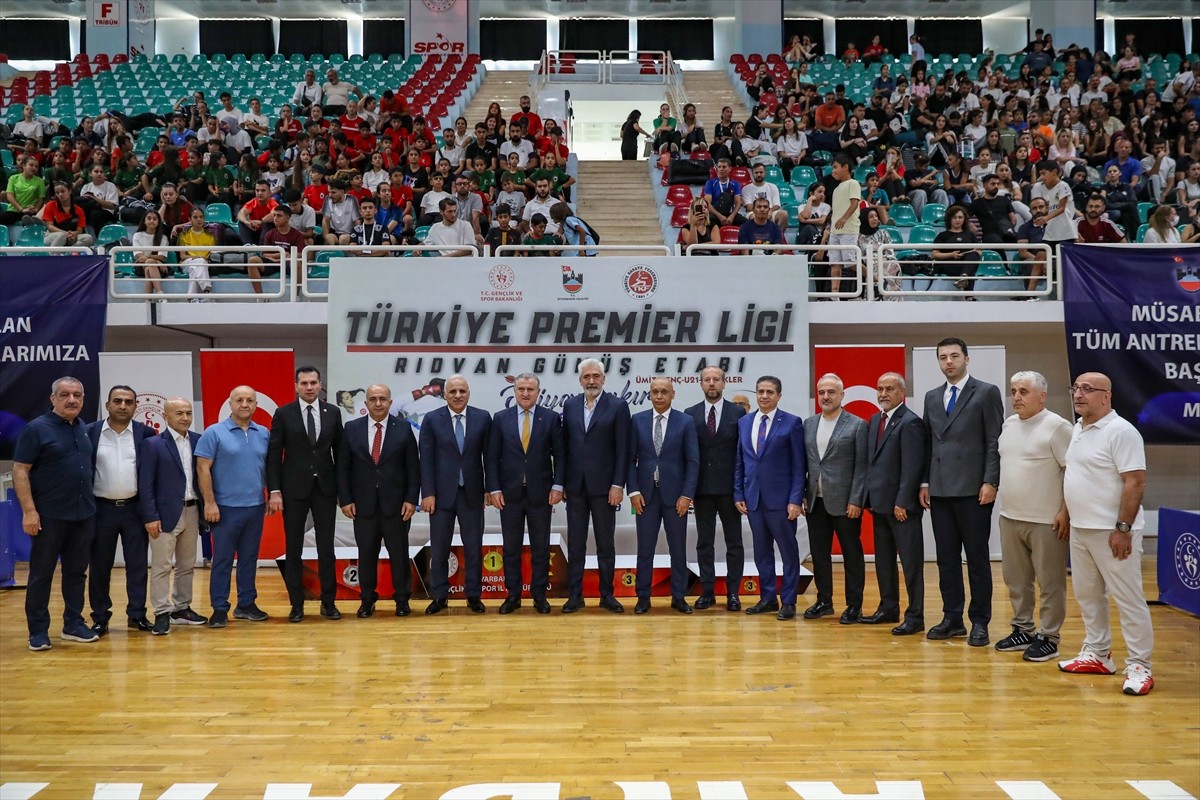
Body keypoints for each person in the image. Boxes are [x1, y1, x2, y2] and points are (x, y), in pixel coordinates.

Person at [1061, 376, 1156, 695]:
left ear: (1107, 396)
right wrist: (1066, 512)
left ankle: (1140, 665)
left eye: (1088, 389)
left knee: (1128, 599)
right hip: (1081, 530)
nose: (1079, 394)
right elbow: (1076, 475)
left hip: (1114, 533)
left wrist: (1123, 529)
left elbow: (1135, 483)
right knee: (1088, 596)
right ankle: (1099, 654)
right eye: (1076, 388)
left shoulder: (1122, 431)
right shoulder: (1078, 428)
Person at [919, 338, 1004, 647]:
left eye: (954, 356)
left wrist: (991, 481)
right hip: (940, 490)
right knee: (946, 559)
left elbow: (994, 440)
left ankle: (980, 621)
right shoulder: (931, 397)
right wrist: (925, 483)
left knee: (978, 559)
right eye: (943, 357)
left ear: (967, 358)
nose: (949, 362)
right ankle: (952, 617)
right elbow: (929, 444)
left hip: (973, 490)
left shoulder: (985, 392)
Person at [13, 378, 100, 650]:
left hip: (83, 515)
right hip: (49, 516)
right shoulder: (36, 429)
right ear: (53, 398)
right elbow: (20, 470)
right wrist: (29, 511)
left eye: (77, 395)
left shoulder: (83, 429)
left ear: (83, 399)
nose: (71, 400)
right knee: (41, 574)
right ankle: (38, 631)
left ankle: (73, 624)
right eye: (64, 395)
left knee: (76, 573)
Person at [995, 371, 1073, 663]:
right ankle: (1022, 629)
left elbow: (1070, 471)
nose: (1016, 397)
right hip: (1010, 517)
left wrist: (1065, 512)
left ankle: (1050, 636)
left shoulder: (1057, 427)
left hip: (1046, 521)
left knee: (1050, 582)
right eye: (1014, 391)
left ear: (1042, 395)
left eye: (1024, 391)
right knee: (1016, 579)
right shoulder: (1009, 425)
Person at [267, 366, 344, 623]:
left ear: (321, 384)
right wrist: (275, 490)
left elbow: (341, 455)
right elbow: (274, 456)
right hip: (293, 490)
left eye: (313, 382)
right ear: (296, 386)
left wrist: (343, 493)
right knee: (294, 548)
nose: (309, 387)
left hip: (325, 490)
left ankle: (329, 603)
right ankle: (296, 604)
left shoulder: (333, 412)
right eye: (304, 383)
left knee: (326, 548)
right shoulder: (283, 413)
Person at [337, 383, 420, 619]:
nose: (378, 403)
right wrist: (345, 499)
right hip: (362, 506)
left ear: (391, 402)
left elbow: (413, 468)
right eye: (373, 399)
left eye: (383, 398)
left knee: (399, 554)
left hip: (397, 506)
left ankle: (402, 600)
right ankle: (366, 600)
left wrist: (411, 499)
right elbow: (343, 467)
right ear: (366, 403)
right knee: (366, 555)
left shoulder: (403, 429)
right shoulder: (351, 428)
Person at [486, 373, 564, 615]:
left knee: (540, 547)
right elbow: (491, 457)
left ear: (538, 392)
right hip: (508, 494)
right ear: (514, 391)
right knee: (511, 547)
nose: (525, 393)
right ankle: (513, 595)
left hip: (541, 493)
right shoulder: (500, 418)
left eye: (530, 389)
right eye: (521, 389)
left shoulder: (550, 418)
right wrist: (494, 488)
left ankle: (539, 595)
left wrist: (558, 486)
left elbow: (560, 455)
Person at [196, 385, 273, 628]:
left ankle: (246, 604)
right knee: (223, 560)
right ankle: (219, 608)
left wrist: (271, 495)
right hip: (225, 509)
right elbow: (202, 468)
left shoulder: (263, 433)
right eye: (239, 400)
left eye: (250, 400)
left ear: (256, 404)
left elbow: (268, 467)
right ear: (230, 404)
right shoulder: (214, 432)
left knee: (250, 558)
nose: (244, 404)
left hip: (255, 507)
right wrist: (210, 503)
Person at [561, 358, 632, 614]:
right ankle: (575, 596)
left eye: (596, 376)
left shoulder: (618, 406)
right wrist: (564, 483)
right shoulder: (569, 406)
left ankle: (606, 595)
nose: (591, 381)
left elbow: (624, 449)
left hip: (605, 488)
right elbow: (564, 447)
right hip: (576, 488)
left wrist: (617, 484)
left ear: (603, 378)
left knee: (605, 544)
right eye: (586, 376)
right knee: (576, 544)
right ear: (580, 380)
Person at [734, 375, 807, 620]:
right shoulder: (744, 422)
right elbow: (740, 463)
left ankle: (788, 600)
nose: (764, 396)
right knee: (761, 552)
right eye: (760, 391)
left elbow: (799, 466)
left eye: (769, 392)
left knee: (788, 552)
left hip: (782, 501)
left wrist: (796, 499)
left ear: (779, 395)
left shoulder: (792, 423)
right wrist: (738, 493)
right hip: (753, 499)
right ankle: (768, 598)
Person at [85, 386, 154, 637]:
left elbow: (149, 476)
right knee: (100, 566)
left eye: (128, 402)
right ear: (108, 405)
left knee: (137, 566)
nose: (123, 406)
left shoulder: (146, 434)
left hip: (134, 509)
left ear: (136, 406)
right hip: (100, 509)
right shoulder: (89, 432)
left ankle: (137, 615)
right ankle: (100, 618)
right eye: (118, 401)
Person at [627, 378, 700, 615]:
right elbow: (629, 460)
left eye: (664, 392)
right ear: (650, 394)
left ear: (673, 394)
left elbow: (692, 461)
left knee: (678, 548)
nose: (659, 396)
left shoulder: (685, 421)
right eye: (655, 392)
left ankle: (678, 596)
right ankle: (643, 597)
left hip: (675, 497)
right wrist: (634, 491)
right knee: (644, 548)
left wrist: (686, 495)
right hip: (645, 497)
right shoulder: (637, 420)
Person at [420, 375, 491, 614]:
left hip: (472, 493)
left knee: (474, 547)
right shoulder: (431, 419)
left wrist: (490, 489)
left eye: (462, 391)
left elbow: (490, 458)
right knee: (439, 548)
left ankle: (474, 595)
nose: (458, 395)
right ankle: (440, 596)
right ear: (445, 394)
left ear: (468, 393)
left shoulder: (482, 417)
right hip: (440, 496)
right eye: (453, 392)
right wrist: (428, 493)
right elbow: (426, 459)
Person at [138, 397, 209, 636]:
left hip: (192, 510)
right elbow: (145, 484)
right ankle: (161, 612)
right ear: (166, 417)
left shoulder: (199, 440)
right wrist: (150, 516)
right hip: (164, 514)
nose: (185, 418)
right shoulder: (153, 444)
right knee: (161, 566)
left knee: (187, 564)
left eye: (188, 413)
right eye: (179, 413)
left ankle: (182, 608)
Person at [862, 372, 926, 635]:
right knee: (883, 560)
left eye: (889, 389)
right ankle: (888, 608)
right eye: (880, 389)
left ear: (902, 392)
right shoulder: (876, 420)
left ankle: (915, 616)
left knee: (910, 563)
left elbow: (913, 467)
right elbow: (874, 464)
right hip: (879, 505)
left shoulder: (910, 422)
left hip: (902, 508)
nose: (883, 394)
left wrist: (903, 501)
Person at [801, 374, 868, 623]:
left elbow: (863, 468)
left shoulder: (857, 425)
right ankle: (824, 601)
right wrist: (802, 494)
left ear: (842, 395)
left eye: (831, 392)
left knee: (852, 554)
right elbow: (803, 464)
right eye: (821, 392)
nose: (826, 397)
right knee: (819, 554)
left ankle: (854, 605)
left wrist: (856, 500)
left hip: (845, 502)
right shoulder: (808, 424)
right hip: (814, 501)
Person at [685, 367, 747, 610]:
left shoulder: (738, 413)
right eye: (707, 380)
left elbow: (743, 454)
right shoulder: (690, 414)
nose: (712, 384)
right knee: (704, 543)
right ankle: (707, 592)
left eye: (716, 380)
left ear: (724, 383)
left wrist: (741, 488)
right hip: (701, 490)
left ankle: (733, 593)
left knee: (734, 542)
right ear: (701, 384)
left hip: (730, 489)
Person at [828, 154, 862, 296]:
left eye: (835, 167)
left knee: (852, 263)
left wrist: (844, 218)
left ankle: (875, 280)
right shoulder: (836, 189)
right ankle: (834, 295)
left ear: (845, 167)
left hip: (848, 229)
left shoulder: (853, 183)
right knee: (835, 263)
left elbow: (855, 203)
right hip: (835, 231)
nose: (833, 171)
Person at [40, 182, 96, 248]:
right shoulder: (50, 205)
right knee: (62, 236)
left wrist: (73, 234)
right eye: (57, 193)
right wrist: (66, 233)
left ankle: (69, 252)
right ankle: (53, 256)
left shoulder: (79, 210)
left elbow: (79, 230)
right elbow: (50, 227)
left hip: (71, 236)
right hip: (52, 236)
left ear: (69, 191)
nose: (60, 194)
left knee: (88, 238)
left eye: (63, 191)